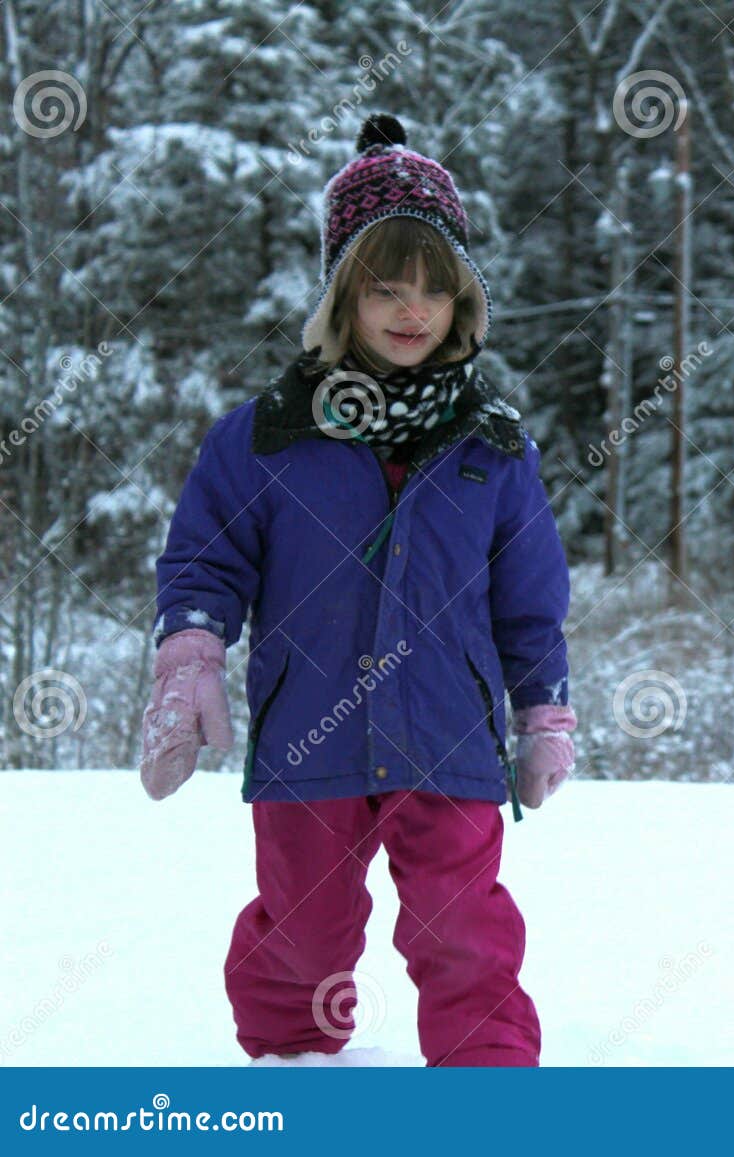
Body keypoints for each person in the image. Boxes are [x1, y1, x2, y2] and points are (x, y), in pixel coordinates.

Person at [137, 113, 574, 1068]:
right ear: (344, 293)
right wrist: (192, 656)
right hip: (311, 737)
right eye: (385, 285)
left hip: (449, 740)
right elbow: (205, 562)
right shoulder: (264, 437)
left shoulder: (492, 449)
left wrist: (545, 712)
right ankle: (295, 1071)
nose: (410, 308)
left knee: (466, 934)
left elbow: (530, 603)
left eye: (434, 287)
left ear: (464, 301)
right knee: (302, 932)